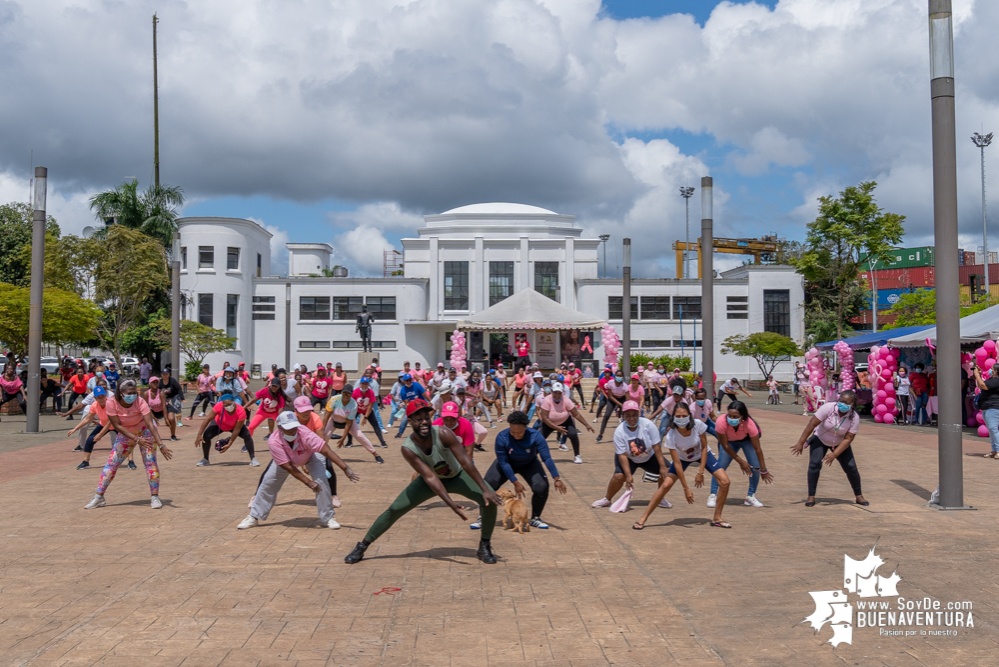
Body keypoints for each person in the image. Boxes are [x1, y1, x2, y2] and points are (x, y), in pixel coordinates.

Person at [344, 399, 503, 565]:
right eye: (418, 419)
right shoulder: (408, 448)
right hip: (429, 482)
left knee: (489, 500)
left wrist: (485, 488)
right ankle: (362, 545)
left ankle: (484, 545)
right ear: (410, 421)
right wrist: (450, 503)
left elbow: (465, 461)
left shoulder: (443, 433)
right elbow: (430, 477)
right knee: (395, 509)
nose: (424, 421)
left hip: (457, 475)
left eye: (427, 417)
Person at [238, 411, 360, 530]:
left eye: (294, 427)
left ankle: (328, 517)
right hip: (286, 462)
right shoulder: (274, 441)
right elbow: (288, 466)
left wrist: (345, 468)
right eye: (288, 428)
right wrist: (308, 482)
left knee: (321, 481)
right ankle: (254, 516)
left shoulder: (305, 433)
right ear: (280, 427)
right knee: (268, 484)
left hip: (310, 456)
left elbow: (326, 450)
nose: (292, 431)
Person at [633, 402, 733, 529]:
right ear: (673, 417)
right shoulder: (671, 435)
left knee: (725, 482)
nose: (681, 419)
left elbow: (703, 448)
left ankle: (717, 518)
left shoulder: (698, 425)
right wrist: (686, 488)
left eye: (684, 415)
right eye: (678, 416)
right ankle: (643, 518)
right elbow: (677, 463)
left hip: (703, 455)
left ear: (689, 416)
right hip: (682, 459)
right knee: (665, 485)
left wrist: (700, 472)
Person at [84, 379, 174, 510]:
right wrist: (136, 439)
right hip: (126, 434)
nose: (133, 395)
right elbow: (117, 425)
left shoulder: (140, 401)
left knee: (150, 462)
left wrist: (161, 445)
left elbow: (150, 423)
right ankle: (99, 497)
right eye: (129, 393)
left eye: (135, 392)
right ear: (121, 393)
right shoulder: (111, 403)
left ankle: (155, 497)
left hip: (145, 432)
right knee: (112, 463)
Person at [480, 410, 566, 530]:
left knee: (541, 487)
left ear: (526, 427)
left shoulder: (535, 436)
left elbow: (546, 458)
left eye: (519, 432)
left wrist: (556, 478)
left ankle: (536, 518)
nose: (516, 435)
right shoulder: (502, 437)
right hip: (507, 463)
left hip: (529, 463)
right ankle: (483, 516)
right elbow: (503, 462)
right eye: (512, 432)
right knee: (488, 484)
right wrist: (515, 482)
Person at [790, 389, 868, 507]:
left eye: (847, 403)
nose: (843, 404)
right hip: (820, 438)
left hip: (840, 442)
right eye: (841, 401)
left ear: (852, 405)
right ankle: (811, 496)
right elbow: (812, 424)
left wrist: (834, 454)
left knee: (851, 467)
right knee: (814, 464)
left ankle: (859, 495)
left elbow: (848, 438)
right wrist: (800, 442)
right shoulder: (828, 408)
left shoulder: (854, 417)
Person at [591, 400, 671, 511]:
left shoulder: (648, 425)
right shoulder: (619, 432)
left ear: (639, 414)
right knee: (619, 476)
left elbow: (656, 447)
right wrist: (628, 476)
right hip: (628, 458)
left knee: (667, 471)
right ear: (623, 416)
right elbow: (622, 455)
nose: (631, 418)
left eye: (634, 415)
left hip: (648, 457)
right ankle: (607, 499)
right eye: (628, 416)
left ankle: (660, 498)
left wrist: (662, 466)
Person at [707, 401, 774, 509]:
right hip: (729, 443)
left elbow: (757, 449)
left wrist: (763, 469)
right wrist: (741, 462)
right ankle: (713, 495)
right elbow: (725, 446)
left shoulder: (750, 424)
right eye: (729, 415)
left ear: (742, 417)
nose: (731, 419)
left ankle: (750, 496)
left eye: (735, 416)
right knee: (719, 467)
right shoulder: (721, 422)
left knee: (755, 467)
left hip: (746, 441)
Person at [323, 385, 385, 464]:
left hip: (347, 421)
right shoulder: (334, 400)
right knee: (325, 435)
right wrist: (322, 429)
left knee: (360, 436)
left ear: (351, 394)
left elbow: (349, 423)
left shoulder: (353, 405)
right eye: (344, 393)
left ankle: (376, 455)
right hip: (334, 420)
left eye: (348, 394)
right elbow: (326, 416)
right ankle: (322, 455)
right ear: (341, 393)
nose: (346, 396)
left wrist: (343, 438)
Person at [193, 393, 259, 466]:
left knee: (247, 435)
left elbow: (237, 430)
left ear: (233, 402)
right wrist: (199, 434)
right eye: (225, 405)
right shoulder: (219, 406)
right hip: (219, 424)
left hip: (234, 426)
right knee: (206, 435)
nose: (228, 407)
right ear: (222, 404)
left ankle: (253, 459)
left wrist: (229, 443)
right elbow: (207, 419)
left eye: (229, 404)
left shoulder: (241, 411)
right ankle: (205, 459)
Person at [538, 382, 593, 464]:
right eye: (555, 392)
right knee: (539, 438)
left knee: (573, 434)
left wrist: (586, 425)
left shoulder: (566, 400)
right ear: (551, 392)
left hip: (565, 422)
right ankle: (532, 457)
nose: (557, 395)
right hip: (549, 423)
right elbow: (545, 418)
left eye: (559, 393)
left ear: (562, 393)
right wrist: (557, 428)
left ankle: (577, 456)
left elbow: (576, 414)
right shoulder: (547, 400)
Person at [68, 385, 113, 470]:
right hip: (103, 424)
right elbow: (87, 419)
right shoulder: (94, 405)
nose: (101, 399)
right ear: (95, 398)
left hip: (116, 424)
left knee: (125, 440)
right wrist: (75, 429)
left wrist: (100, 434)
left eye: (102, 396)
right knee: (89, 440)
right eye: (98, 397)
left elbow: (110, 421)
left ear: (105, 396)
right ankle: (85, 462)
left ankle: (131, 461)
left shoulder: (110, 404)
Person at [596, 371, 628, 442]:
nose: (619, 377)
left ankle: (626, 434)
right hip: (612, 399)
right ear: (615, 376)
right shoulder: (610, 383)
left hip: (622, 398)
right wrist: (619, 405)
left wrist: (626, 406)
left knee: (626, 416)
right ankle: (600, 434)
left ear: (622, 377)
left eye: (620, 376)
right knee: (607, 415)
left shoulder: (624, 385)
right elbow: (610, 396)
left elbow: (628, 398)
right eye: (617, 375)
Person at [974, 364, 999, 459]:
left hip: (993, 408)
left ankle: (998, 450)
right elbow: (980, 385)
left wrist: (976, 374)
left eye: (992, 369)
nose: (990, 370)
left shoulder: (997, 381)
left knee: (993, 429)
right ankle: (994, 450)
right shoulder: (991, 380)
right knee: (991, 430)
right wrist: (979, 375)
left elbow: (983, 386)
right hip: (986, 407)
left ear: (996, 371)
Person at [394, 373, 427, 438]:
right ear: (404, 381)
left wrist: (430, 401)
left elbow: (424, 394)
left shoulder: (417, 385)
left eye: (410, 380)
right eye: (407, 380)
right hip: (411, 405)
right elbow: (406, 403)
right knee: (405, 418)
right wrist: (413, 408)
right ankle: (400, 432)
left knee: (425, 417)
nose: (409, 382)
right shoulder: (403, 390)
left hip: (421, 404)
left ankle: (426, 431)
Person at [160, 367, 185, 440]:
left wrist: (182, 398)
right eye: (163, 374)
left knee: (177, 406)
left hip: (174, 395)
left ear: (169, 374)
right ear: (161, 375)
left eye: (166, 374)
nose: (165, 375)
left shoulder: (172, 381)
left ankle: (179, 421)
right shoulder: (159, 382)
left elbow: (179, 389)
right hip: (164, 397)